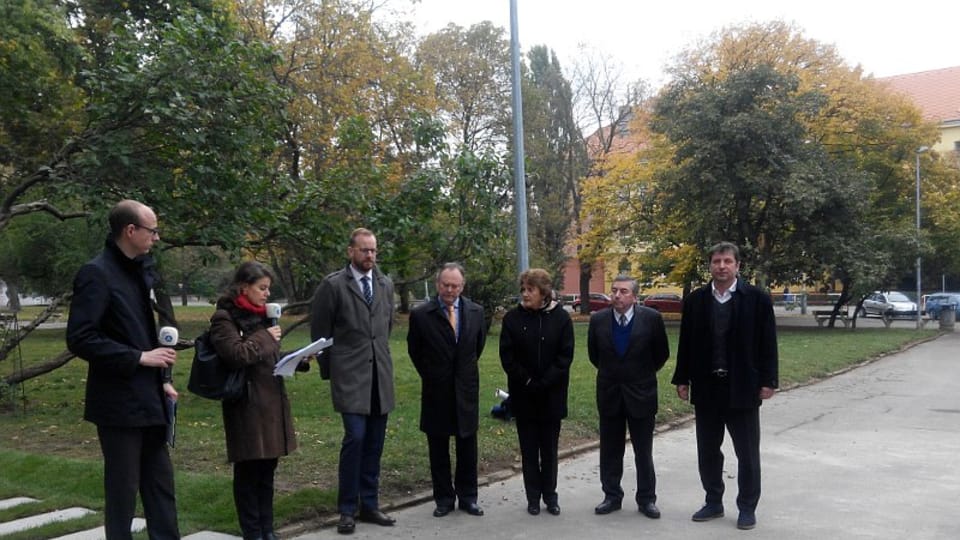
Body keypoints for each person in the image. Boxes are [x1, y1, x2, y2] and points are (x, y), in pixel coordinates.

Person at [66, 199, 180, 539]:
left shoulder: (137, 271)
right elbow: (81, 338)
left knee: (161, 488)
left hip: (149, 400)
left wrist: (161, 380)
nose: (156, 238)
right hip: (117, 406)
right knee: (122, 493)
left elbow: (136, 333)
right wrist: (140, 358)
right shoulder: (96, 273)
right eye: (152, 230)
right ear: (130, 231)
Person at [671, 241, 779, 531]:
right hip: (707, 388)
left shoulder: (756, 299)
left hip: (743, 387)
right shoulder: (696, 301)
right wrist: (682, 378)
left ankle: (746, 507)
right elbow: (686, 345)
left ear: (738, 266)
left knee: (746, 453)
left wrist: (769, 380)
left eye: (727, 261)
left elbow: (768, 343)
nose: (721, 266)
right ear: (710, 265)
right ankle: (713, 501)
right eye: (717, 261)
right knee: (707, 450)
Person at [209, 262, 304, 540]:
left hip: (271, 402)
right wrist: (265, 337)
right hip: (246, 405)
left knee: (267, 470)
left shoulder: (263, 317)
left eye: (268, 289)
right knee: (249, 470)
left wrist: (297, 359)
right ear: (243, 287)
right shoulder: (224, 318)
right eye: (261, 288)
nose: (266, 294)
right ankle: (252, 531)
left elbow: (268, 355)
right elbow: (236, 355)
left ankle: (267, 528)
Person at [310, 228, 396, 535]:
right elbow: (320, 334)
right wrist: (331, 372)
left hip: (379, 377)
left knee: (374, 443)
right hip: (349, 377)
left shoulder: (385, 284)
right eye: (364, 250)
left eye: (373, 251)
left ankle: (369, 505)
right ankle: (347, 508)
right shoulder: (333, 286)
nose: (370, 256)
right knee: (356, 438)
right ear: (350, 251)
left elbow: (385, 327)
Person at [407, 263, 487, 518]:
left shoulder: (476, 312)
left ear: (462, 287)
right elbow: (415, 351)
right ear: (438, 284)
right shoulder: (421, 315)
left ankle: (468, 497)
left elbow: (477, 346)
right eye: (445, 285)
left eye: (455, 286)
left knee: (467, 446)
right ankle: (443, 498)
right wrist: (433, 374)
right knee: (438, 447)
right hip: (436, 390)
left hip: (466, 390)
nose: (449, 290)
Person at [587, 275, 669, 519]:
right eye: (614, 291)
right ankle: (611, 495)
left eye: (623, 291)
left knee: (643, 450)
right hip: (610, 393)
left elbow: (661, 354)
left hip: (641, 393)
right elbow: (594, 355)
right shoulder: (599, 320)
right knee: (610, 449)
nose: (617, 296)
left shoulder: (651, 319)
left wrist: (639, 374)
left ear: (635, 296)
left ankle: (646, 499)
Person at [499, 268, 574, 516]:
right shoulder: (512, 319)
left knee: (549, 451)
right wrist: (529, 381)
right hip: (524, 396)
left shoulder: (561, 319)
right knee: (529, 450)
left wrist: (547, 381)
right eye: (523, 289)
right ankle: (533, 497)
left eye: (530, 289)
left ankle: (550, 496)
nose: (525, 294)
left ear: (544, 293)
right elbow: (507, 358)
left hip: (552, 396)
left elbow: (565, 356)